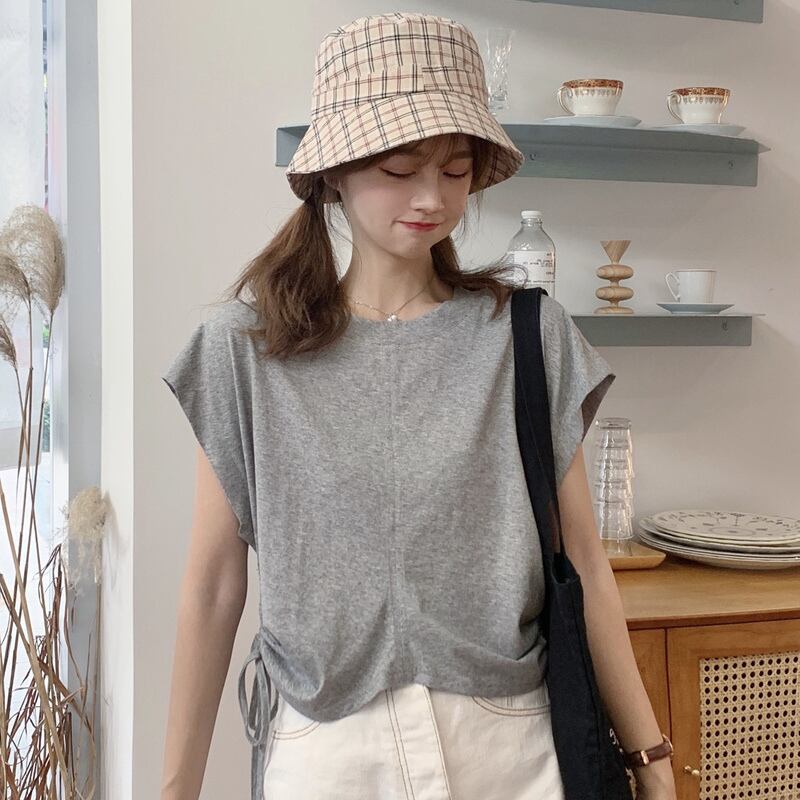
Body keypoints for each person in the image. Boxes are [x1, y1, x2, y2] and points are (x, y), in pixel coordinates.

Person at [159, 12, 677, 800]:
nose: (432, 197)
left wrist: (650, 756)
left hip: (511, 745)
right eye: (400, 168)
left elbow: (584, 561)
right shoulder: (245, 349)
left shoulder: (527, 336)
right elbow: (212, 588)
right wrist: (175, 788)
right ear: (334, 172)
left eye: (457, 170)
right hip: (327, 753)